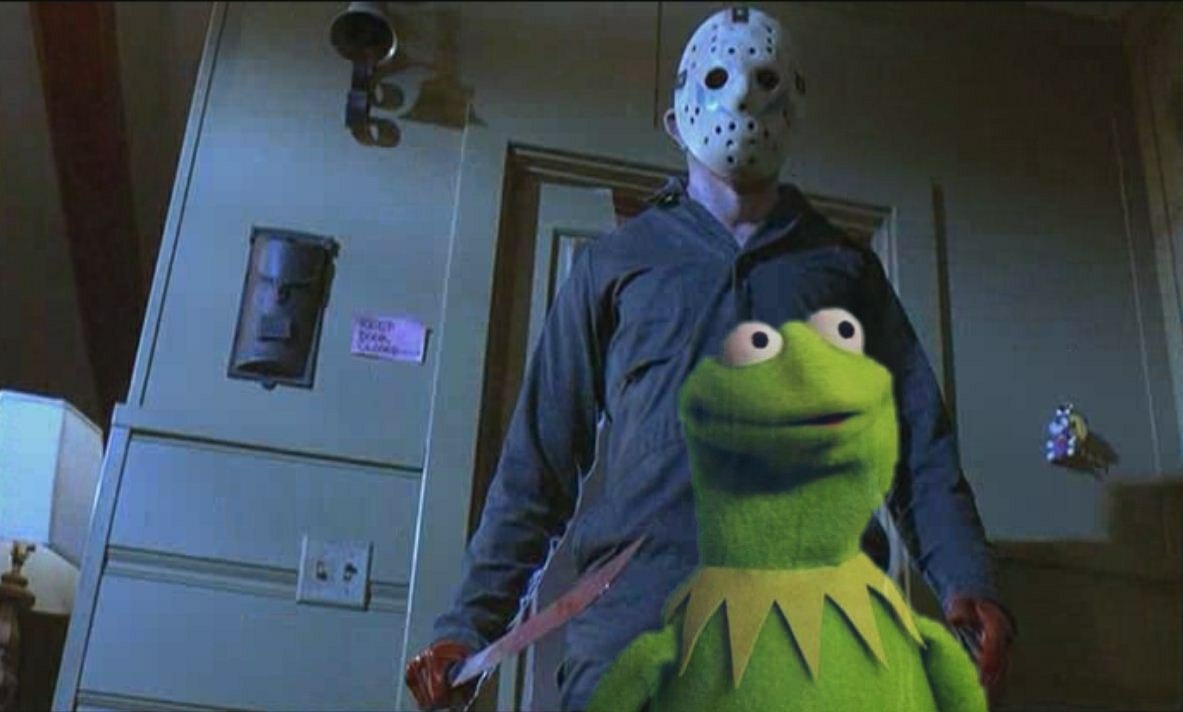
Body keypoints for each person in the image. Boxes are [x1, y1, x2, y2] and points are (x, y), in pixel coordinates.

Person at [405, 6, 1014, 711]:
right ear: (675, 119)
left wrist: (967, 578)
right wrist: (470, 627)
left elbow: (918, 450)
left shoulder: (845, 272)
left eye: (765, 81)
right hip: (636, 645)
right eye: (721, 79)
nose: (744, 97)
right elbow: (535, 470)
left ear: (793, 111)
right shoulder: (615, 265)